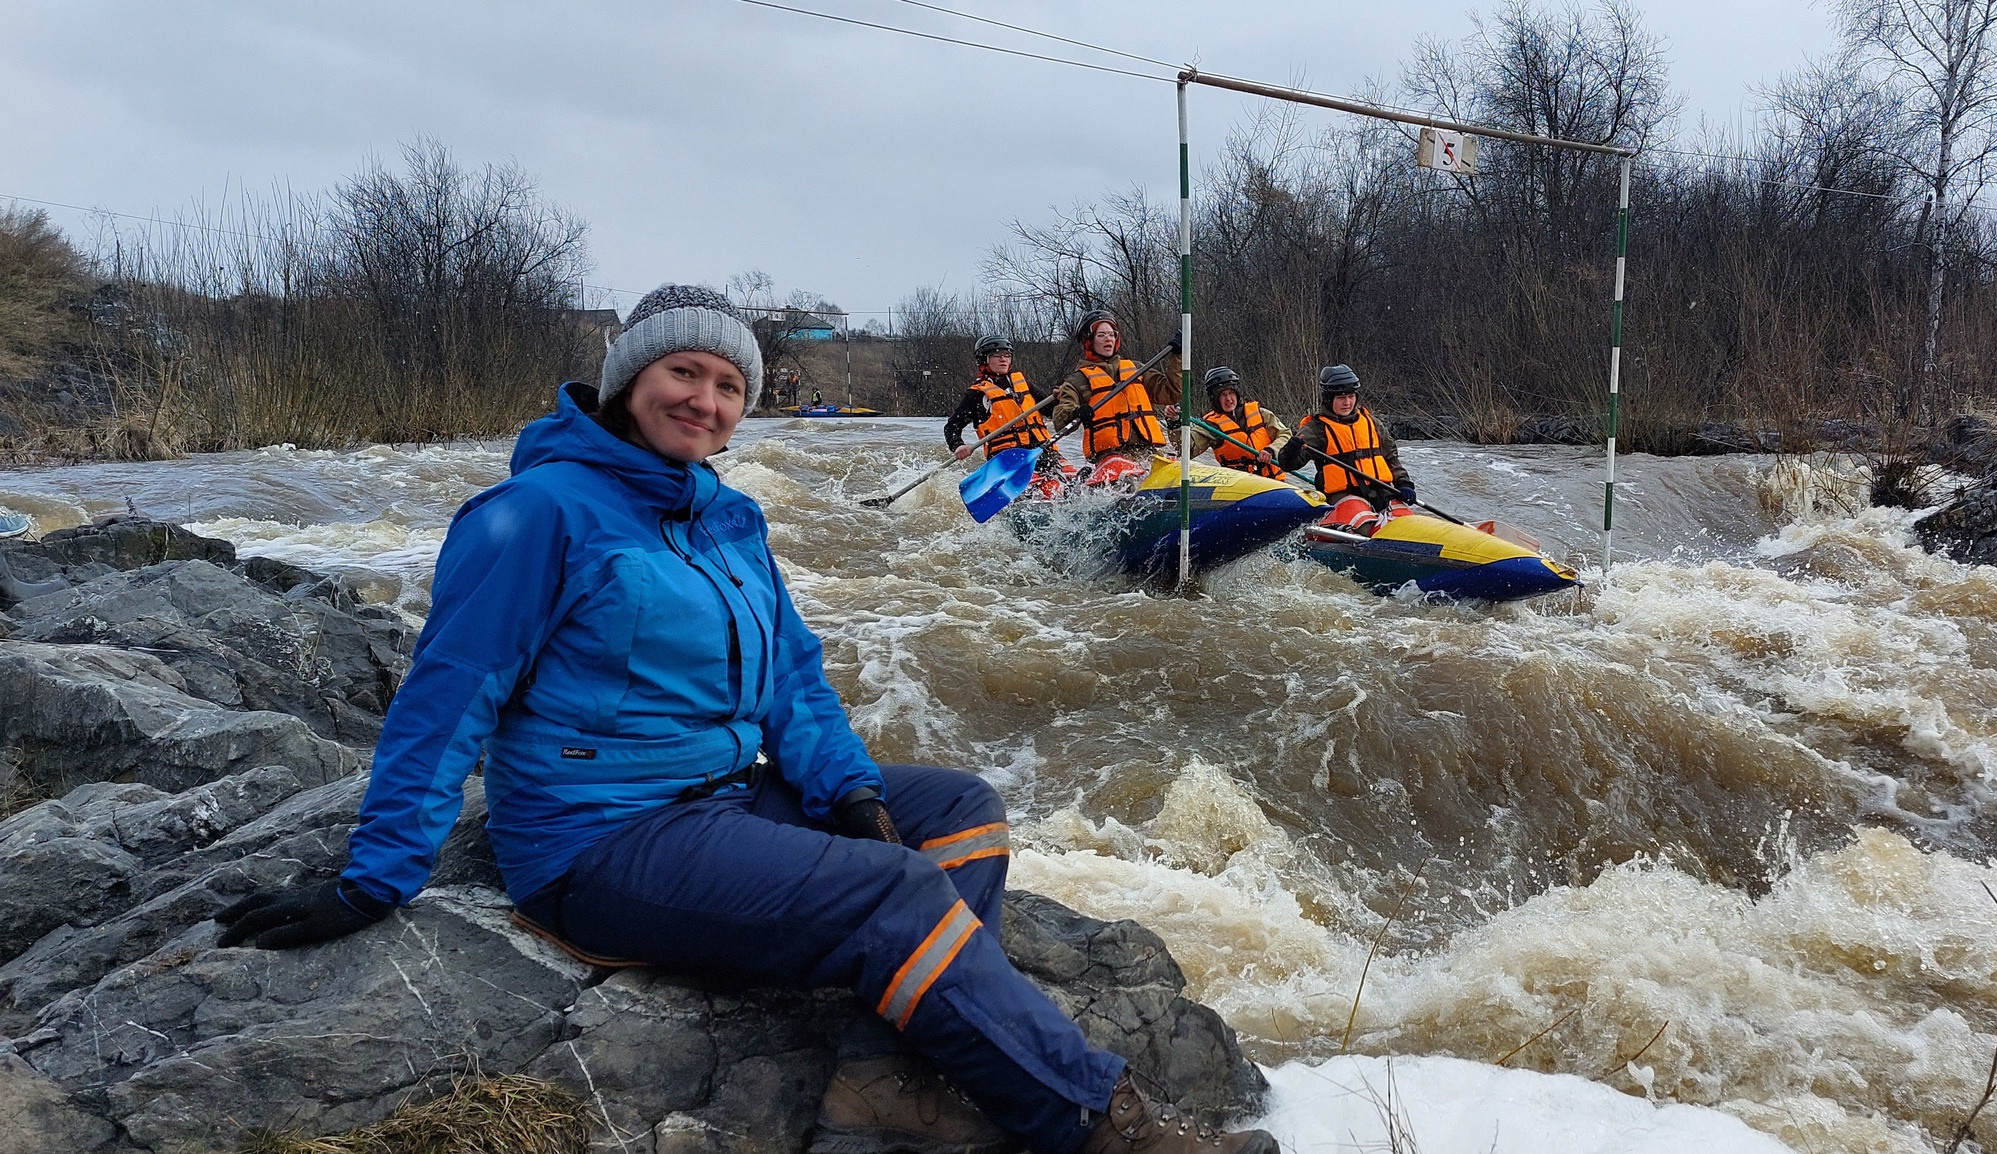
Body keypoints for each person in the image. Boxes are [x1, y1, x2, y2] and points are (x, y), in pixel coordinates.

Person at [209, 284, 1276, 1154]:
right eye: (685, 371)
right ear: (632, 377)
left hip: (719, 796)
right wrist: (374, 874)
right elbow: (448, 693)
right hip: (598, 837)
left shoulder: (728, 516)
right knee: (895, 889)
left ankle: (884, 1080)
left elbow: (795, 681)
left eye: (729, 384)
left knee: (955, 809)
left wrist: (847, 789)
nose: (707, 400)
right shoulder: (535, 513)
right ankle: (1103, 1124)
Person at [1049, 309, 1179, 480]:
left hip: (1149, 451)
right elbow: (1060, 420)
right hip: (1111, 456)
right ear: (1089, 341)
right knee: (1127, 475)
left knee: (1176, 469)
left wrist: (1177, 356)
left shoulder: (1136, 369)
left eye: (1112, 334)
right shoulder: (1077, 380)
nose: (1108, 338)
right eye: (1101, 335)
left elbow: (1173, 393)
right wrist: (1076, 412)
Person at [1275, 364, 1414, 505]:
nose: (1347, 403)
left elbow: (1391, 458)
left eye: (1351, 396)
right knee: (1363, 521)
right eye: (1341, 398)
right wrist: (1291, 451)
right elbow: (1287, 464)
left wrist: (1403, 482)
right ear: (1329, 399)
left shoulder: (1373, 423)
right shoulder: (1316, 429)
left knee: (1405, 518)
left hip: (1381, 491)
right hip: (1342, 496)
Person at [944, 334, 1062, 475]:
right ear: (984, 360)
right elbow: (952, 427)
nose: (1003, 359)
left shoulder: (1023, 384)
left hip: (1042, 450)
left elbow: (1052, 411)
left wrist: (1060, 401)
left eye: (1006, 355)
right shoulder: (976, 394)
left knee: (1067, 483)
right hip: (1006, 458)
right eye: (996, 355)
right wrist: (958, 445)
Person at [1195, 367, 1282, 478]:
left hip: (1273, 482)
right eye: (1222, 395)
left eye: (1231, 393)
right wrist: (1174, 422)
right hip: (1239, 483)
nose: (1228, 399)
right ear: (1215, 399)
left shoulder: (1262, 414)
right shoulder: (1211, 426)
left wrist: (1271, 450)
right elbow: (1187, 448)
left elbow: (1285, 435)